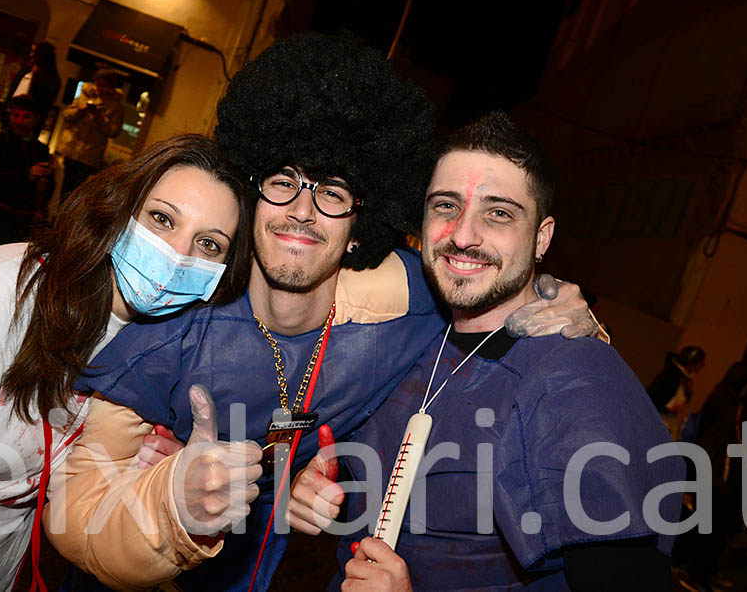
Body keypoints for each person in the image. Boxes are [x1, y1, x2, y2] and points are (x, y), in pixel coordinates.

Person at [44, 33, 601, 592]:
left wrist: (552, 298)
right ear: (251, 195)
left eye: (332, 193)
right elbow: (75, 508)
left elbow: (485, 279)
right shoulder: (172, 326)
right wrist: (172, 501)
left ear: (359, 228)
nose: (303, 211)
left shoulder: (414, 307)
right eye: (283, 182)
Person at [289, 111, 684, 591]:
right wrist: (317, 489)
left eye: (498, 213)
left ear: (542, 237)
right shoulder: (405, 329)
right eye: (445, 206)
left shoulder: (578, 385)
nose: (463, 235)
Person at [0, 134, 258, 592]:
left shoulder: (164, 351)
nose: (177, 254)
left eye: (209, 244)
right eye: (161, 218)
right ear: (120, 209)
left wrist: (156, 482)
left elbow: (85, 500)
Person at [0, 95, 54, 255]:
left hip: (21, 224)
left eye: (26, 117)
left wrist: (45, 181)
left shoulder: (41, 149)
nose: (19, 121)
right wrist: (26, 176)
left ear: (35, 120)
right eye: (15, 115)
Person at [58, 68, 123, 202]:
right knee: (64, 183)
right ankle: (57, 214)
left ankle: (66, 215)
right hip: (71, 146)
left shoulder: (116, 106)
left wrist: (99, 118)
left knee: (76, 189)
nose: (101, 88)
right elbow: (66, 116)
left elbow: (114, 131)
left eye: (105, 85)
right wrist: (80, 111)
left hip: (90, 153)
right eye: (98, 84)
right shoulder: (85, 95)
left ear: (111, 87)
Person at [647, 345, 706, 439]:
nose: (702, 366)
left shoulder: (684, 378)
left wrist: (688, 392)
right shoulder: (671, 374)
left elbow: (679, 401)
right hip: (657, 417)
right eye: (701, 363)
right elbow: (654, 396)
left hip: (668, 418)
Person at [5, 41, 61, 136]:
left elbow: (44, 102)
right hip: (12, 115)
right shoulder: (25, 70)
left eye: (34, 52)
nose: (31, 55)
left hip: (29, 124)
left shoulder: (51, 79)